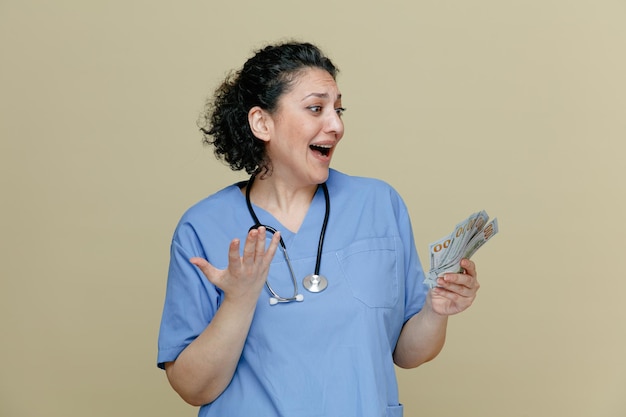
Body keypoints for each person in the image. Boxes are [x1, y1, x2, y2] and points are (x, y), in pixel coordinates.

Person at [157, 41, 480, 417]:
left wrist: (437, 310)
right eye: (316, 108)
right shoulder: (203, 227)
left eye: (338, 109)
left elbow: (406, 353)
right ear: (262, 122)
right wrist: (239, 300)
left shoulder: (378, 205)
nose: (337, 125)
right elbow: (193, 388)